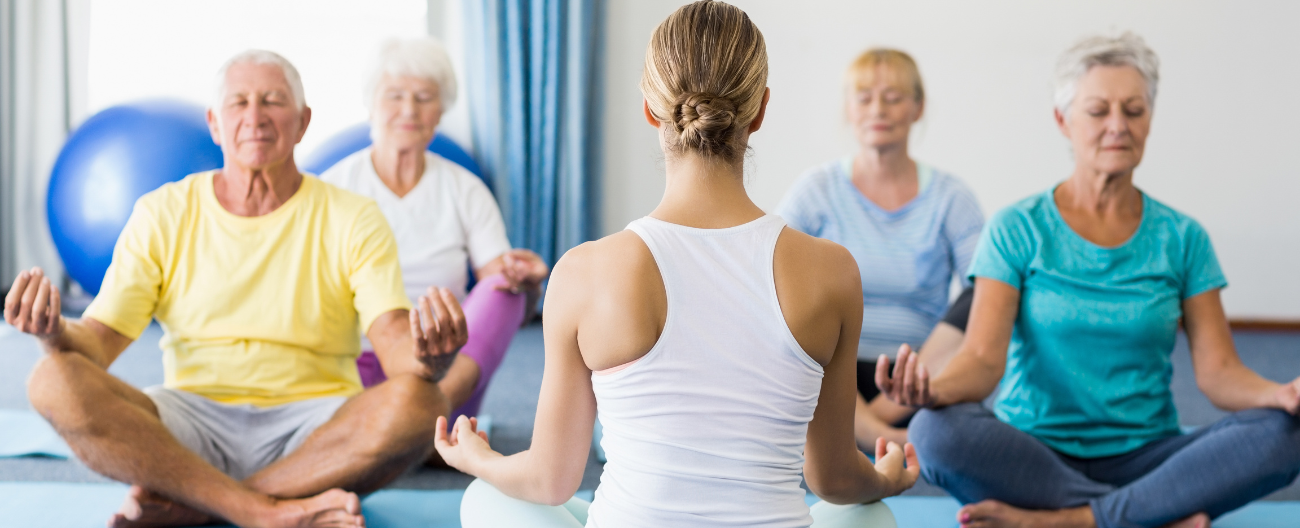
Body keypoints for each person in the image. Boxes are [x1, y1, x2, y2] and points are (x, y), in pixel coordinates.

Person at [433, 2, 920, 526]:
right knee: (870, 516)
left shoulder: (582, 271)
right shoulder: (833, 270)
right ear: (759, 111)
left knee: (487, 496)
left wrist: (477, 459)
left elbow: (551, 480)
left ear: (649, 108)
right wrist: (887, 479)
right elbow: (834, 479)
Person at [4, 50, 468, 528]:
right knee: (51, 380)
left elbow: (393, 344)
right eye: (238, 102)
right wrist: (52, 332)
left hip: (315, 427)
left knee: (424, 402)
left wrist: (430, 359)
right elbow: (98, 342)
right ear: (213, 123)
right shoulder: (162, 212)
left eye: (272, 100)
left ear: (303, 122)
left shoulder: (353, 216)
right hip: (188, 422)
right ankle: (266, 510)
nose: (255, 117)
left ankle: (199, 505)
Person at [878, 32, 1300, 528]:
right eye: (1098, 111)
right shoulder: (1018, 227)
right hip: (1031, 455)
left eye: (1134, 111)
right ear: (1064, 121)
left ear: (1150, 120)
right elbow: (981, 361)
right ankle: (1145, 514)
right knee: (933, 431)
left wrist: (1281, 395)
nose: (1118, 126)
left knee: (1288, 432)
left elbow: (1219, 372)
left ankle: (1070, 520)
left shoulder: (1183, 237)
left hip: (1150, 457)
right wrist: (935, 390)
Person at [321, 38, 549, 431]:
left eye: (424, 97)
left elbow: (507, 292)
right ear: (371, 103)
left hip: (448, 371)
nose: (409, 110)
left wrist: (527, 283)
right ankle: (421, 430)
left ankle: (419, 418)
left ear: (441, 110)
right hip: (356, 367)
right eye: (395, 96)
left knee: (503, 289)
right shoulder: (334, 188)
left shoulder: (465, 188)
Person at [776, 48, 983, 448]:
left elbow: (984, 293)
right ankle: (884, 437)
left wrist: (894, 397)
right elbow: (768, 274)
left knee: (986, 290)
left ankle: (870, 429)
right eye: (865, 97)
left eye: (893, 97)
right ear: (848, 110)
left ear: (917, 108)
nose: (878, 109)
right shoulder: (816, 189)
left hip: (921, 378)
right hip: (829, 372)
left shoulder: (951, 197)